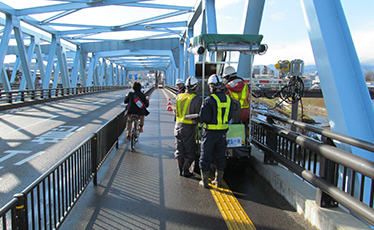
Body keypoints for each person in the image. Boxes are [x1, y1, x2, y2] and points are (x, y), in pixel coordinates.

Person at [198, 74, 234, 188]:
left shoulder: (208, 100)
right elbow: (230, 116)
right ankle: (218, 181)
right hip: (222, 133)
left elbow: (204, 118)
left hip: (209, 133)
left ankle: (204, 181)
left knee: (205, 156)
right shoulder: (229, 99)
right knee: (220, 156)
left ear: (211, 86)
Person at [174, 76, 202, 177]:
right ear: (195, 87)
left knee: (180, 149)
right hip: (189, 128)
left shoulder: (179, 96)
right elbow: (199, 114)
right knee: (191, 150)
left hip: (177, 126)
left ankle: (180, 169)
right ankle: (186, 170)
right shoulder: (196, 99)